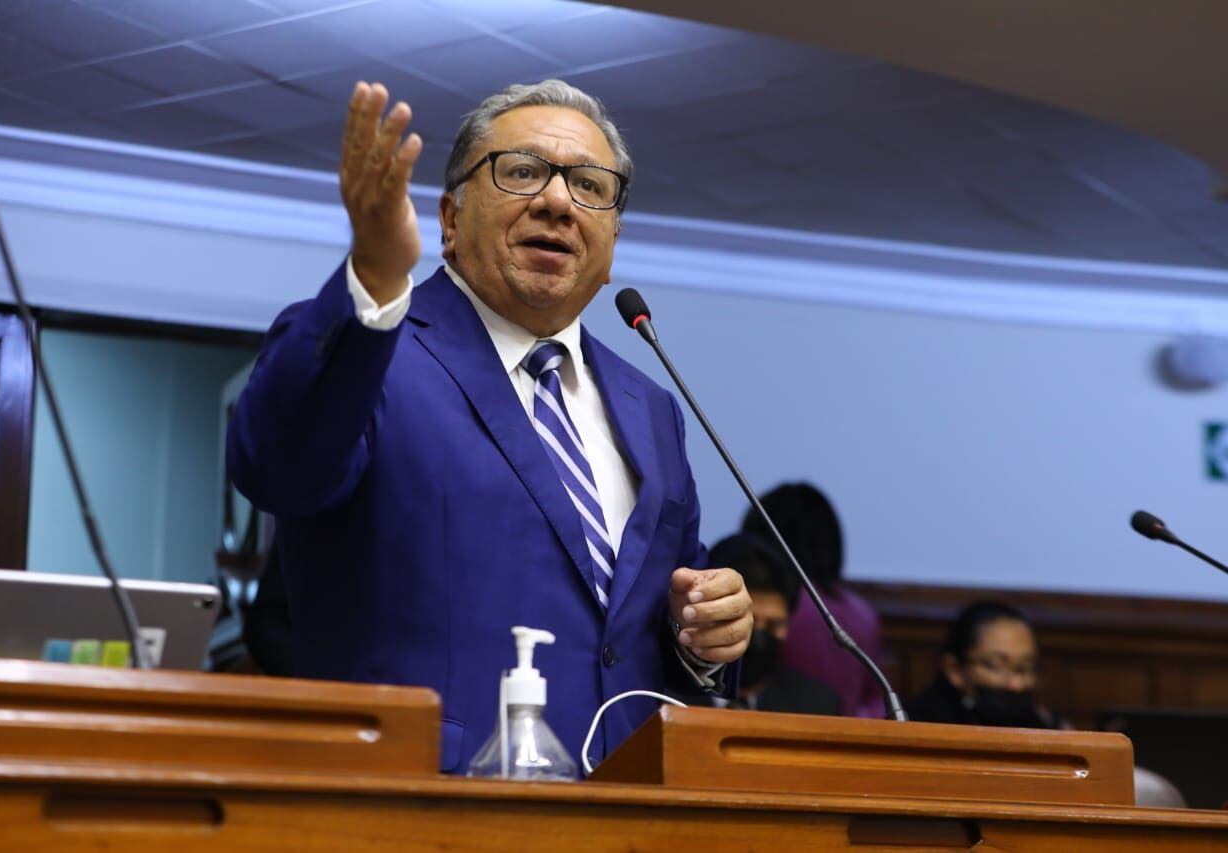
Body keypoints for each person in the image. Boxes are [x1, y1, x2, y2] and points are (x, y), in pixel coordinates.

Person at [226, 79, 752, 773]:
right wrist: (376, 273)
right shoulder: (372, 352)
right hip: (419, 811)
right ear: (449, 218)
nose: (559, 202)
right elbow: (278, 465)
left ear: (612, 240)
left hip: (627, 815)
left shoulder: (651, 405)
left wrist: (701, 635)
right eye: (524, 172)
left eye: (590, 185)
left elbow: (640, 634)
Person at [742, 482, 885, 717]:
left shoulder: (779, 610)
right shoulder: (864, 614)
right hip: (849, 736)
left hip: (780, 729)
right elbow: (874, 702)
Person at [683, 533, 841, 714]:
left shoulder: (817, 706)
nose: (758, 638)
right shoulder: (660, 696)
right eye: (747, 621)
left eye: (773, 626)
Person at [905, 600, 1062, 729]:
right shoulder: (918, 724)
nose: (1016, 684)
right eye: (995, 666)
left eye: (1025, 668)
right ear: (954, 669)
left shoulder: (1043, 725)